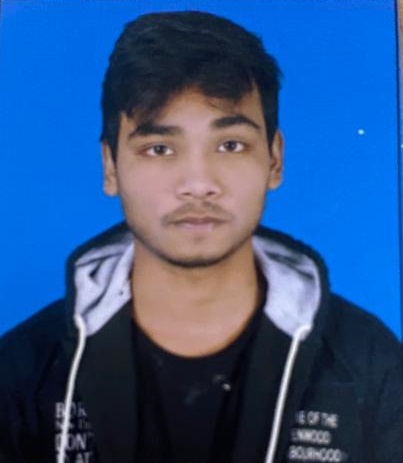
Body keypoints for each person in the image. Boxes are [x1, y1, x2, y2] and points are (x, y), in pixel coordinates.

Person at [1, 10, 402, 463]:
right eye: (159, 148)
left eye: (230, 145)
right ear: (110, 166)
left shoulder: (372, 364)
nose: (198, 183)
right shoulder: (20, 372)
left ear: (275, 160)